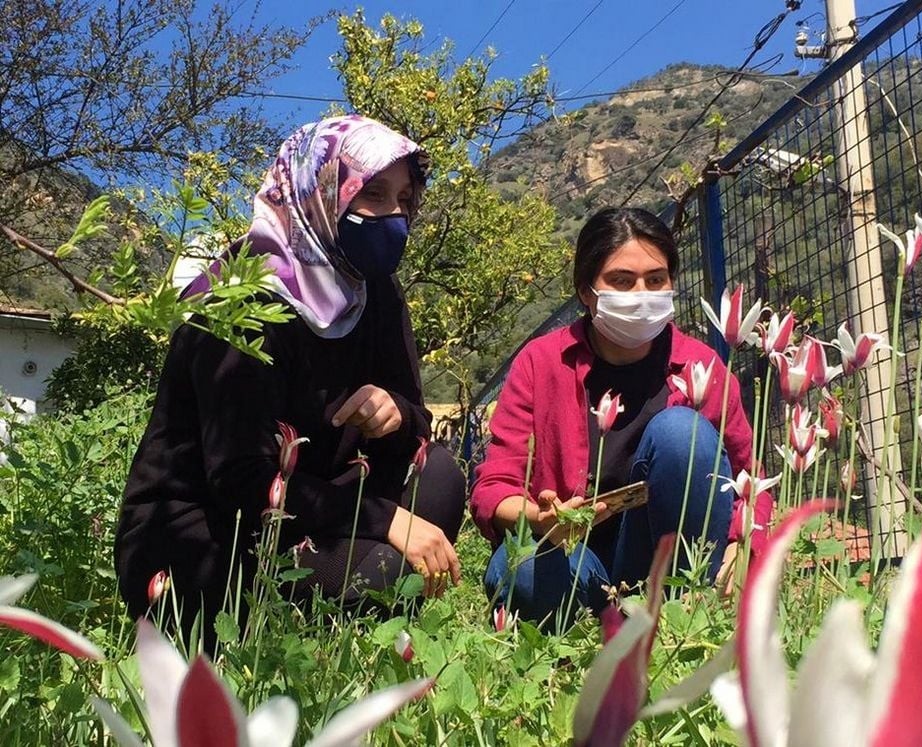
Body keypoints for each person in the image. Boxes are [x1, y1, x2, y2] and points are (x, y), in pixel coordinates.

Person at [116, 115, 466, 637]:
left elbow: (416, 420)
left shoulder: (374, 292)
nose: (394, 214)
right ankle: (274, 628)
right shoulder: (239, 299)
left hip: (312, 508)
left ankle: (329, 608)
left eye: (405, 200)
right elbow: (240, 482)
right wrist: (383, 519)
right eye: (373, 194)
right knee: (389, 569)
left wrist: (395, 413)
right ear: (321, 189)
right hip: (209, 529)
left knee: (437, 476)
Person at [471, 207, 772, 626]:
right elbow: (494, 485)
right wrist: (537, 520)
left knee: (682, 434)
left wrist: (745, 540)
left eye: (656, 279)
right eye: (621, 281)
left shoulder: (701, 367)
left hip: (658, 561)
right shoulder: (541, 363)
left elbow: (750, 480)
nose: (641, 293)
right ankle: (595, 619)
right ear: (585, 291)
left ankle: (683, 606)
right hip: (574, 560)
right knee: (518, 569)